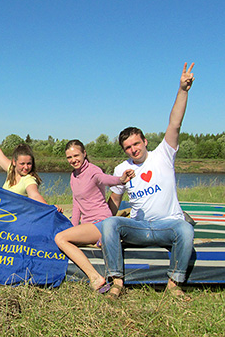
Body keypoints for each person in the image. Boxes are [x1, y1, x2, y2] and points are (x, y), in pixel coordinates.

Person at [101, 62, 196, 299]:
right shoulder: (122, 168)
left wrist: (182, 90)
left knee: (185, 229)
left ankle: (174, 284)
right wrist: (102, 233)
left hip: (168, 226)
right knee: (110, 224)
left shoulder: (163, 154)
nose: (133, 150)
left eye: (136, 143)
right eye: (127, 147)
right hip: (140, 228)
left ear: (144, 141)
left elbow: (175, 123)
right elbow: (113, 203)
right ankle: (117, 282)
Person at [54, 140, 134, 292]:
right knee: (66, 235)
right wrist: (74, 227)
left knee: (60, 238)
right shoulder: (73, 176)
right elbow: (76, 203)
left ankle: (95, 277)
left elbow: (107, 179)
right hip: (88, 224)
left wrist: (121, 180)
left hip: (101, 221)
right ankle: (100, 242)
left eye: (76, 155)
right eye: (69, 157)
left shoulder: (93, 170)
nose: (73, 160)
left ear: (84, 153)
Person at [0, 123, 49, 205]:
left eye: (29, 163)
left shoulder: (29, 179)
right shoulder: (11, 170)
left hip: (19, 217)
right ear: (14, 162)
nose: (26, 167)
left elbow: (34, 195)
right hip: (6, 214)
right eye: (22, 163)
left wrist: (49, 208)